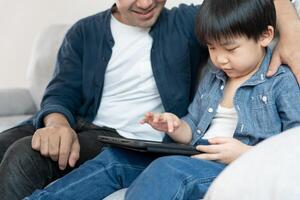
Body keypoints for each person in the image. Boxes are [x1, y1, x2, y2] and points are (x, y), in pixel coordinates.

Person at [0, 0, 300, 199]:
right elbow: (191, 128)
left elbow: (292, 145)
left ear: (264, 36)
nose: (220, 58)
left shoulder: (278, 80)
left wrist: (293, 34)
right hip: (186, 150)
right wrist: (172, 125)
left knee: (166, 170)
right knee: (114, 158)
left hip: (227, 163)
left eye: (229, 49)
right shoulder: (216, 78)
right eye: (211, 48)